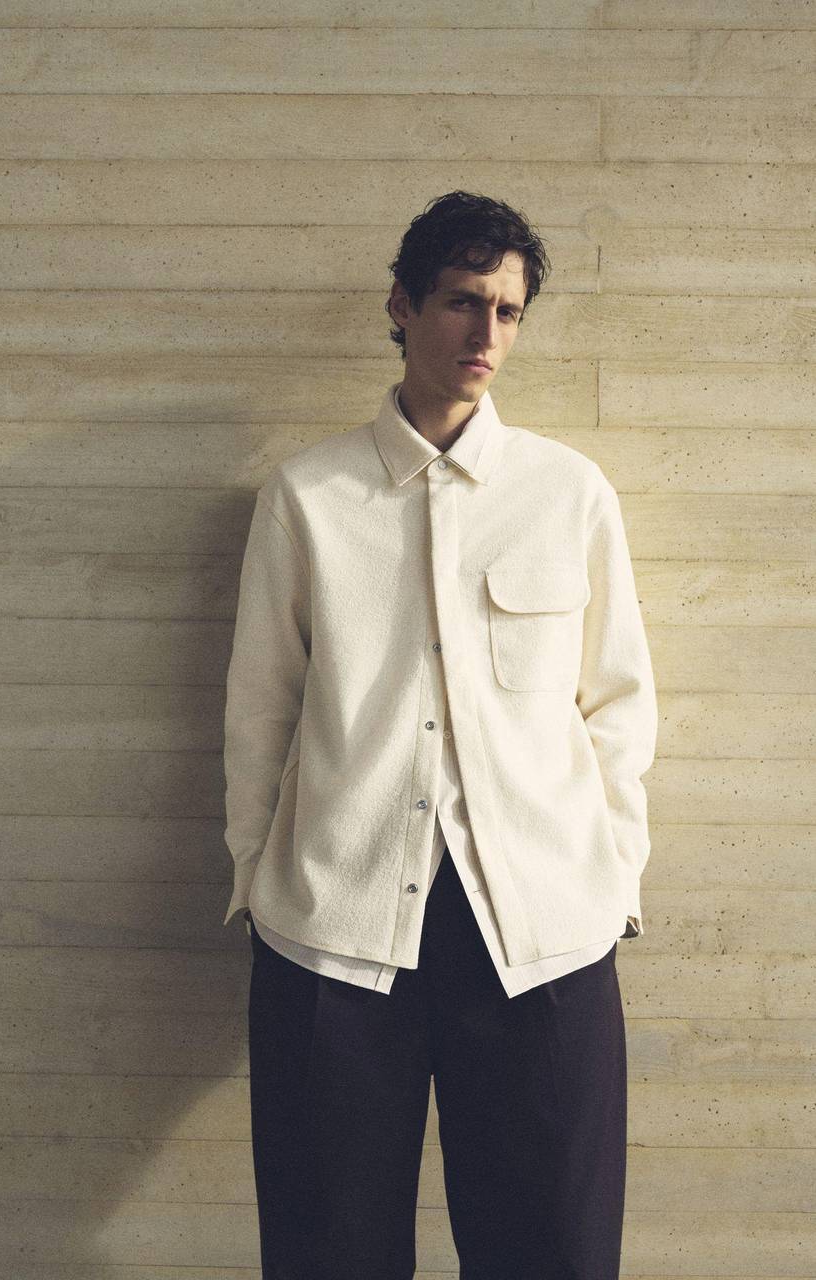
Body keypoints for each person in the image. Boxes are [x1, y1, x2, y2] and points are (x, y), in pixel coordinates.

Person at [222, 190, 658, 1280]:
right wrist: (257, 878)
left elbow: (617, 703)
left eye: (507, 311)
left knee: (549, 1252)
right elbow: (260, 710)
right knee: (329, 1253)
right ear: (401, 306)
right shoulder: (307, 497)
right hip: (334, 931)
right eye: (463, 301)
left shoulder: (568, 494)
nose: (486, 333)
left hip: (541, 935)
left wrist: (613, 878)